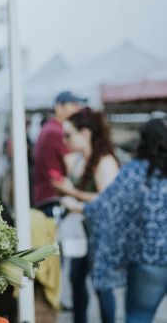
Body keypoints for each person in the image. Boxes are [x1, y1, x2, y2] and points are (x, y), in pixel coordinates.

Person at [61, 117, 167, 323]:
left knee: (138, 316)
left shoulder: (134, 172)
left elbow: (106, 205)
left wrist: (77, 206)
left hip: (149, 260)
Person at [52, 110, 120, 323]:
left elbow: (108, 201)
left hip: (101, 233)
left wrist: (73, 195)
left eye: (69, 135)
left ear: (86, 133)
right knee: (76, 280)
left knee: (102, 286)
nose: (65, 141)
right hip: (80, 231)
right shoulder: (80, 160)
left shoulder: (105, 161)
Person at [33, 91, 84, 205]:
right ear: (59, 108)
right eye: (73, 105)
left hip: (45, 195)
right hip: (53, 199)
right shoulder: (58, 132)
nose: (77, 109)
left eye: (78, 105)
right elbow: (74, 169)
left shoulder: (48, 127)